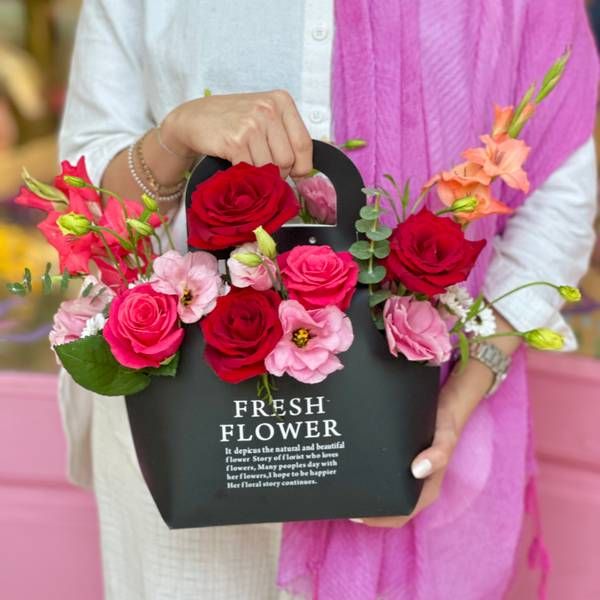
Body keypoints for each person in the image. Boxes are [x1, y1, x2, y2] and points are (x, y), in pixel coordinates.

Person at [58, 1, 598, 599]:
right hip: (190, 433)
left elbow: (557, 200)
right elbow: (87, 200)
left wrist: (458, 399)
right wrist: (177, 135)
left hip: (404, 431)